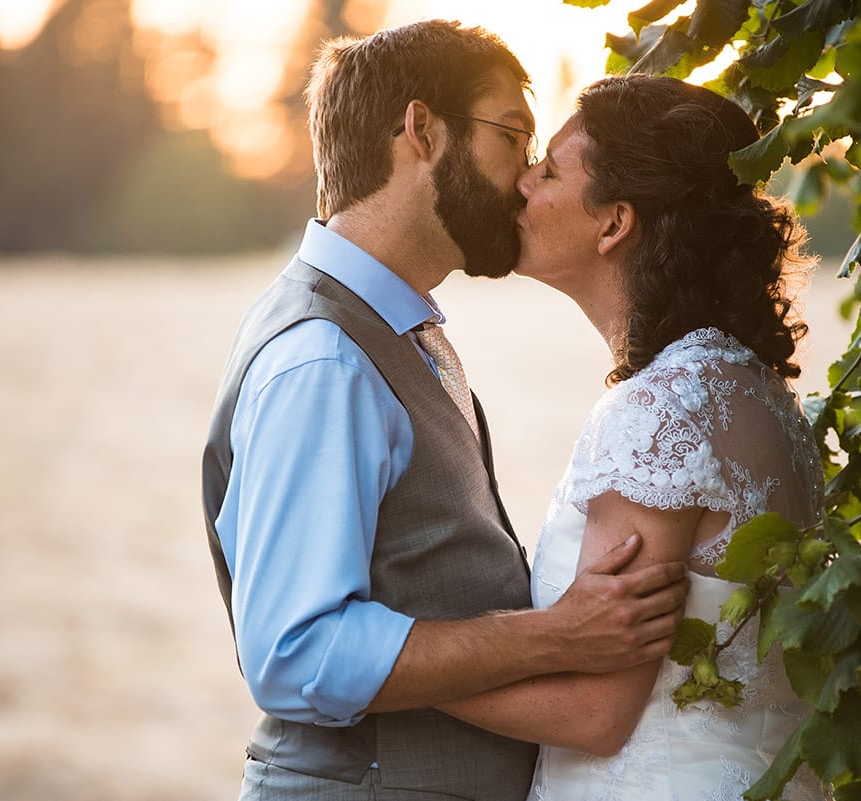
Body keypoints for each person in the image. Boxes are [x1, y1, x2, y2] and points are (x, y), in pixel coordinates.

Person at [200, 22, 690, 801]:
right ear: (421, 131)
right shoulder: (324, 356)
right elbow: (296, 650)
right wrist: (554, 634)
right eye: (513, 136)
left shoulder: (397, 331)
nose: (528, 175)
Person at [431, 75, 828, 800]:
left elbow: (595, 710)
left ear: (615, 223)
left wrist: (387, 675)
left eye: (548, 170)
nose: (520, 183)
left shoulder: (663, 408)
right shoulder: (749, 388)